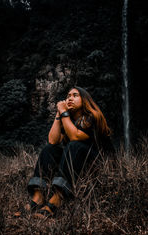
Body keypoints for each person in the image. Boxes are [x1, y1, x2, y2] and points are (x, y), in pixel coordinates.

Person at [26, 86, 114, 218]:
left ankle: (58, 197)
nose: (70, 98)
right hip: (77, 162)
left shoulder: (92, 116)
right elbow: (52, 141)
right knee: (49, 149)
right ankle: (38, 196)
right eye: (68, 96)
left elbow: (75, 137)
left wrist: (63, 112)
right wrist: (58, 113)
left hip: (99, 163)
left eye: (75, 95)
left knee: (74, 145)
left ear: (85, 100)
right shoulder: (67, 118)